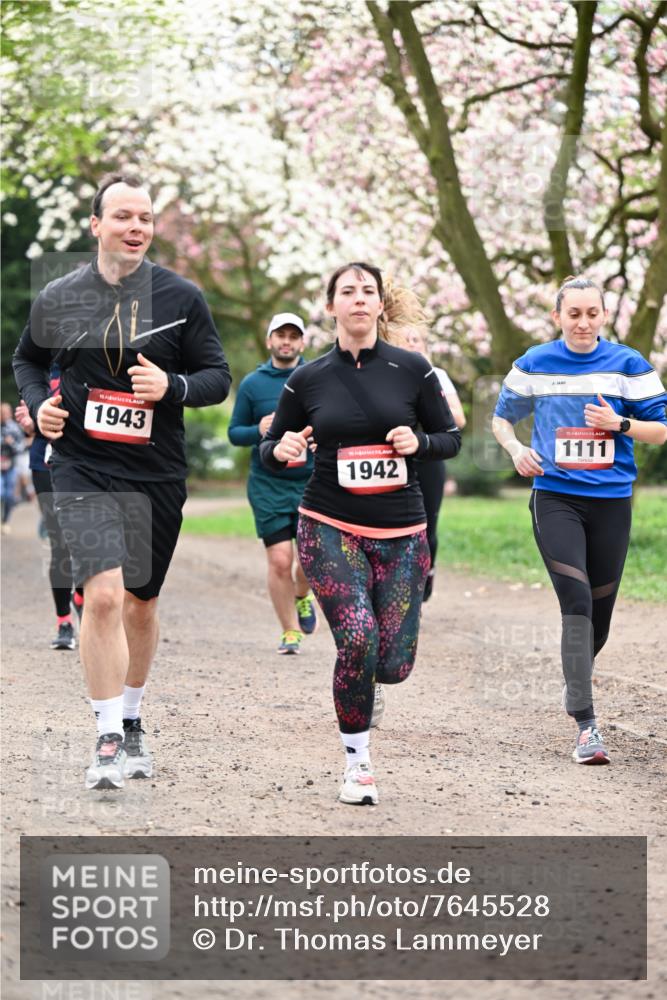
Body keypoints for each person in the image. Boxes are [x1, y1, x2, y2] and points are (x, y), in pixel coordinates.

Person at [13, 172, 231, 790]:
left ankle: (132, 717)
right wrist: (40, 404)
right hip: (80, 463)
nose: (136, 228)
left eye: (145, 218)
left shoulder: (181, 298)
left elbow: (217, 375)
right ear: (96, 226)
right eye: (123, 217)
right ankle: (107, 734)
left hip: (155, 472)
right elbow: (28, 358)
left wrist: (174, 388)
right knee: (103, 594)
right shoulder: (60, 295)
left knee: (140, 599)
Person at [260, 262, 461, 805]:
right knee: (357, 639)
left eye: (367, 291)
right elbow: (271, 446)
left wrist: (419, 443)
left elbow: (449, 439)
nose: (357, 299)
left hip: (402, 531)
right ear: (331, 307)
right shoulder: (308, 379)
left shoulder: (413, 370)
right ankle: (358, 764)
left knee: (391, 664)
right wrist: (282, 450)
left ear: (380, 305)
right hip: (328, 524)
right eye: (346, 292)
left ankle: (364, 676)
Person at [492, 275, 667, 765]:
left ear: (604, 316)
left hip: (612, 503)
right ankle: (586, 724)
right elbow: (502, 418)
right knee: (575, 600)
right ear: (557, 317)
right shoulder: (535, 363)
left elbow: (663, 431)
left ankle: (575, 673)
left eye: (592, 313)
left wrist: (621, 424)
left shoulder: (628, 366)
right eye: (574, 314)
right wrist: (515, 449)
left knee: (599, 620)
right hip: (555, 498)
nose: (583, 323)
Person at [228, 313, 318, 654]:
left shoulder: (315, 377)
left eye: (293, 336)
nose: (286, 341)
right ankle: (289, 631)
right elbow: (235, 433)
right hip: (268, 483)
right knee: (280, 560)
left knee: (308, 559)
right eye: (280, 335)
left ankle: (302, 594)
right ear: (269, 341)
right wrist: (258, 431)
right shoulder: (253, 384)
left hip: (311, 481)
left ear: (302, 342)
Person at [382, 282, 466, 601]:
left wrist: (431, 407)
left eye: (419, 340)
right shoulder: (388, 371)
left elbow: (458, 420)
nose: (414, 343)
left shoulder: (437, 375)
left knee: (427, 523)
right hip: (394, 457)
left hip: (430, 456)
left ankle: (426, 570)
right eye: (408, 339)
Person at [15, 386, 84, 651]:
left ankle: (80, 596)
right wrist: (30, 422)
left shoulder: (95, 359)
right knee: (60, 542)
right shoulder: (41, 368)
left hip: (87, 465)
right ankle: (64, 622)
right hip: (46, 464)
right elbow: (27, 420)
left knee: (85, 541)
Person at [1, 401, 23, 534]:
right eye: (1, 413)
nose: (4, 415)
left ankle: (5, 521)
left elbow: (21, 447)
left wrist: (12, 443)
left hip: (11, 466)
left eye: (6, 412)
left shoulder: (15, 428)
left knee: (9, 496)